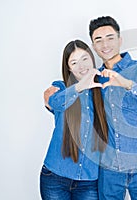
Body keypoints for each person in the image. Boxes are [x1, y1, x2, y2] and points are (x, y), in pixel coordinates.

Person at [89, 16, 137, 200]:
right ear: (93, 45)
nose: (105, 44)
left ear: (120, 40)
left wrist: (127, 84)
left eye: (110, 38)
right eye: (98, 40)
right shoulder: (94, 78)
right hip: (109, 168)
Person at [40, 39, 108, 200]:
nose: (82, 66)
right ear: (68, 68)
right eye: (74, 62)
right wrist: (81, 85)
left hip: (89, 182)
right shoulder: (60, 87)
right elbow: (55, 102)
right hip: (55, 178)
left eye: (85, 59)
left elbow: (123, 113)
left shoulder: (103, 91)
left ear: (92, 59)